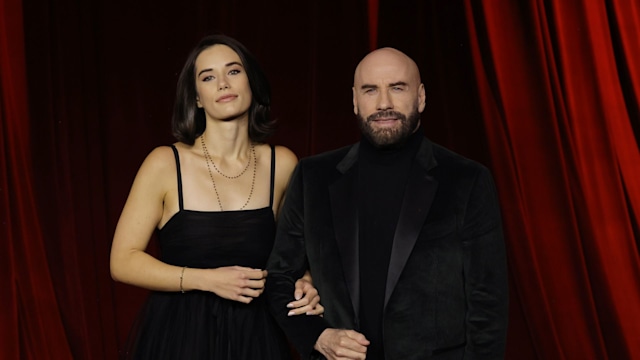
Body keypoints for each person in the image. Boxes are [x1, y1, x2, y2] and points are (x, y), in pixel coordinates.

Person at [265, 47, 508, 359]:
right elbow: (279, 277)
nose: (384, 104)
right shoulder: (313, 177)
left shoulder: (467, 180)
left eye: (397, 87)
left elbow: (487, 302)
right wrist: (318, 335)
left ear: (420, 96)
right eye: (370, 90)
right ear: (354, 100)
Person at [110, 34, 323, 360]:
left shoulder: (282, 164)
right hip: (181, 338)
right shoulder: (165, 163)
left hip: (258, 336)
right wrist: (207, 280)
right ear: (196, 98)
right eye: (208, 77)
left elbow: (296, 256)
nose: (223, 83)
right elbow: (122, 260)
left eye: (233, 71)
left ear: (251, 84)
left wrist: (306, 282)